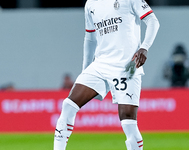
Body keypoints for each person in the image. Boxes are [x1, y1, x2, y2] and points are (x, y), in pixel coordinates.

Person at [54, 0, 159, 150]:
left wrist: (144, 47)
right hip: (100, 64)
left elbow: (153, 21)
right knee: (68, 105)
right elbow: (90, 39)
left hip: (126, 65)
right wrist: (85, 70)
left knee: (128, 121)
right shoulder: (90, 4)